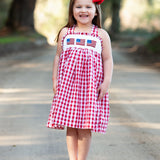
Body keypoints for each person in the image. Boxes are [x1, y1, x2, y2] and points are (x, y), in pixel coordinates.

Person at [47, 0, 113, 159]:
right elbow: (58, 56)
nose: (83, 10)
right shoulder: (66, 33)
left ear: (96, 11)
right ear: (72, 10)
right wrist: (55, 79)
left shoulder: (101, 35)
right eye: (79, 6)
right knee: (71, 126)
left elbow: (108, 59)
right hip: (68, 87)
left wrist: (106, 82)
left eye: (88, 7)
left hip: (90, 88)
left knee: (84, 127)